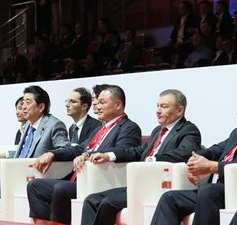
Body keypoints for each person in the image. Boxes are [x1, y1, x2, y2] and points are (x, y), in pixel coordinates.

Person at [80, 89, 201, 225]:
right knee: (91, 200)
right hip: (138, 183)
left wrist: (153, 160)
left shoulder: (189, 130)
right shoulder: (157, 130)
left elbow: (184, 153)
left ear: (179, 110)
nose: (158, 110)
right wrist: (109, 156)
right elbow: (138, 151)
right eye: (157, 106)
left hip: (157, 185)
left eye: (164, 106)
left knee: (108, 202)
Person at [27, 85, 142, 225]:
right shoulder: (101, 128)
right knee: (35, 186)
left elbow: (124, 151)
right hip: (80, 178)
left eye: (102, 103)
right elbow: (79, 149)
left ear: (118, 104)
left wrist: (88, 155)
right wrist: (52, 153)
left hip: (101, 181)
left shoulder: (129, 127)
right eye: (97, 102)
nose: (97, 107)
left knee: (61, 189)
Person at [0, 85, 70, 219]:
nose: (23, 106)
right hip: (14, 175)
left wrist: (51, 155)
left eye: (28, 102)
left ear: (41, 107)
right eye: (23, 102)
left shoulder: (54, 125)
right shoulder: (28, 126)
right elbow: (26, 152)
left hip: (33, 179)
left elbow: (65, 149)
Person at [149, 126, 237, 225]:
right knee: (169, 198)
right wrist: (194, 159)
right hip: (213, 191)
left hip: (231, 191)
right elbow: (213, 151)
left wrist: (213, 166)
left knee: (207, 190)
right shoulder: (235, 133)